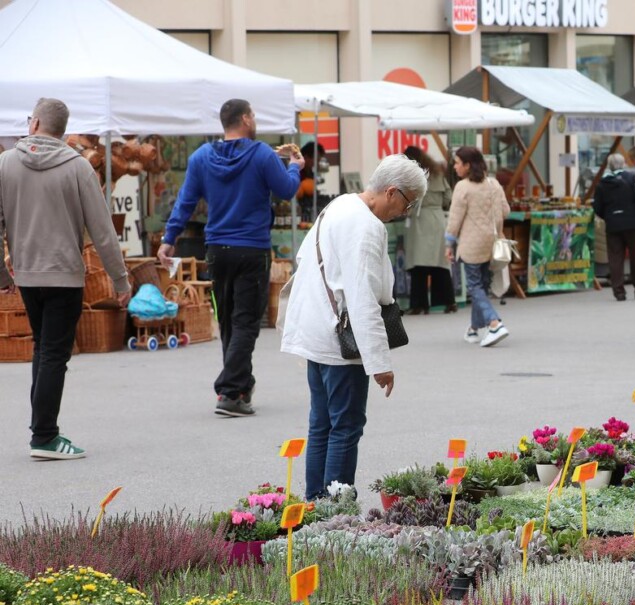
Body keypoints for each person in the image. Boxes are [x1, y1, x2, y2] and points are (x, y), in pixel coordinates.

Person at [280, 155, 426, 499]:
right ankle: (336, 508)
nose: (405, 212)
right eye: (408, 203)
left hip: (316, 331)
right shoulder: (367, 227)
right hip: (340, 341)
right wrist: (380, 364)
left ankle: (315, 503)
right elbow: (363, 299)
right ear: (392, 192)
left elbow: (304, 261)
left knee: (321, 425)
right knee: (346, 426)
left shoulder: (340, 205)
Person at [0, 98, 130, 460]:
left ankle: (41, 431)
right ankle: (44, 436)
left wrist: (2, 273)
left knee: (43, 348)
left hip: (27, 274)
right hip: (65, 275)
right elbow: (103, 232)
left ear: (35, 123)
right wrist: (120, 281)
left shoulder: (5, 164)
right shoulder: (78, 167)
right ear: (63, 130)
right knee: (54, 353)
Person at [159, 98, 304, 417]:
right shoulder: (262, 154)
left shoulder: (201, 157)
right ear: (245, 119)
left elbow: (185, 202)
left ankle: (241, 386)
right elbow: (286, 189)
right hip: (251, 249)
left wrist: (169, 239)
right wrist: (295, 166)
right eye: (253, 115)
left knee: (228, 320)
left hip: (217, 250)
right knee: (245, 321)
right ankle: (230, 392)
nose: (255, 119)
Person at [446, 146, 510, 346]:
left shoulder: (463, 187)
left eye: (457, 163)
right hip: (492, 243)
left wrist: (449, 244)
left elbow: (455, 220)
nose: (455, 166)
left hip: (471, 244)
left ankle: (494, 323)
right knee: (481, 286)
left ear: (467, 165)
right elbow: (506, 211)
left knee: (474, 286)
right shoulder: (494, 184)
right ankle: (474, 329)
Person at [593, 153, 635, 301]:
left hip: (613, 225)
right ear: (623, 164)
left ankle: (619, 291)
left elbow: (597, 207)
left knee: (615, 258)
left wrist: (609, 217)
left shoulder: (602, 183)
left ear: (609, 166)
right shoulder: (630, 178)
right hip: (633, 223)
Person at [402, 146, 455, 314]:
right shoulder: (437, 173)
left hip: (420, 220)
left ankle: (419, 304)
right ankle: (448, 301)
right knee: (440, 263)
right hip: (438, 219)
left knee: (419, 265)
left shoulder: (412, 177)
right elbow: (448, 197)